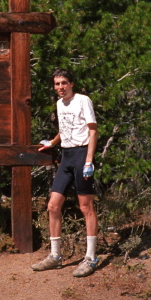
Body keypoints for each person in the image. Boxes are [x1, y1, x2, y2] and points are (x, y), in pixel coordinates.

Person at [34, 69, 100, 277]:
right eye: (56, 84)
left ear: (71, 83)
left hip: (81, 154)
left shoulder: (83, 100)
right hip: (66, 156)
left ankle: (91, 257)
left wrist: (89, 160)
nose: (60, 87)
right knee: (53, 205)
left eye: (64, 83)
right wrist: (52, 143)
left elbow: (93, 130)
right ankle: (55, 256)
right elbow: (65, 127)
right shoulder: (59, 104)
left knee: (85, 206)